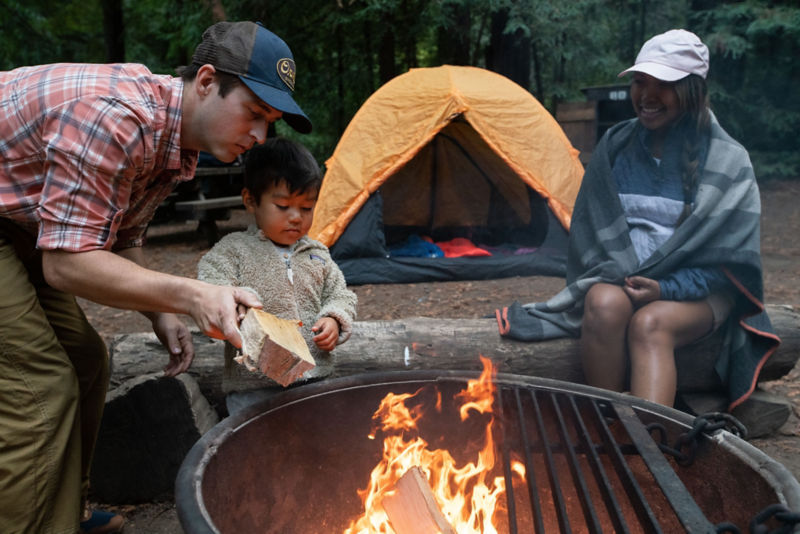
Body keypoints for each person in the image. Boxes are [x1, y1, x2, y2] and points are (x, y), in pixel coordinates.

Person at [0, 21, 311, 534]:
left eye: (270, 121)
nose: (260, 137)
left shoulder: (175, 146)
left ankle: (62, 514)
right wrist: (191, 295)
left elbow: (119, 239)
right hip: (24, 230)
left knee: (86, 359)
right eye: (254, 114)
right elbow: (67, 263)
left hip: (19, 221)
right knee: (40, 386)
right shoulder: (116, 118)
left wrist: (161, 313)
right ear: (207, 82)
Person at [497, 29, 779, 410]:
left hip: (700, 293)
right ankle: (611, 422)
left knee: (651, 323)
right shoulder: (616, 147)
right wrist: (624, 277)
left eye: (663, 85)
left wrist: (665, 290)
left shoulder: (728, 162)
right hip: (624, 281)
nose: (646, 96)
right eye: (639, 82)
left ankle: (649, 444)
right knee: (601, 303)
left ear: (692, 89)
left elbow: (731, 265)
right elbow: (590, 236)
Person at [197, 137, 357, 415]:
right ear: (250, 200)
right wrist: (240, 313)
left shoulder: (316, 253)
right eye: (283, 207)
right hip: (253, 390)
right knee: (258, 454)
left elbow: (340, 293)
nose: (296, 217)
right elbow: (211, 288)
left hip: (314, 382)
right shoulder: (232, 251)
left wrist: (334, 318)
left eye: (306, 208)